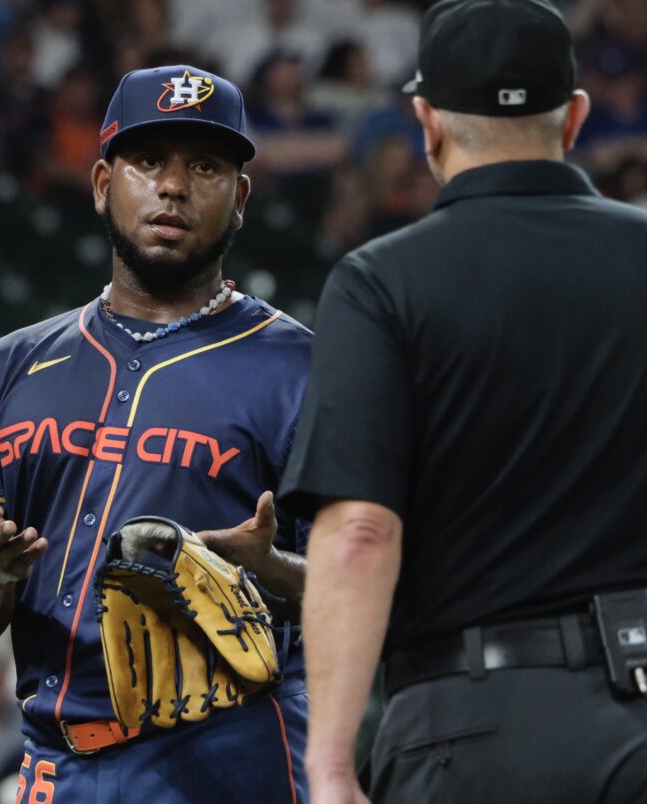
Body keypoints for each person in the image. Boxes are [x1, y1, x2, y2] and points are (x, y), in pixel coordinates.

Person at [277, 2, 647, 802]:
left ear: (427, 123)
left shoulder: (380, 282)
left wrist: (331, 765)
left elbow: (361, 534)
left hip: (472, 732)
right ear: (574, 116)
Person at [0, 65, 312, 803]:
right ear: (102, 182)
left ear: (240, 196)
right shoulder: (3, 372)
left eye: (205, 166)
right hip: (55, 765)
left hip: (231, 760)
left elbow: (375, 597)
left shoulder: (305, 372)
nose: (173, 186)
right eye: (147, 161)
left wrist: (274, 573)